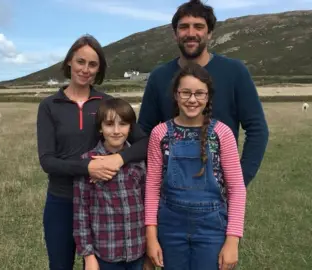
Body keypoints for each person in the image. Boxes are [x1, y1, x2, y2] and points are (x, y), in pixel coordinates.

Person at [36, 34, 149, 270]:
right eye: (80, 62)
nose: (85, 69)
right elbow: (47, 161)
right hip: (62, 201)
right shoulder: (49, 106)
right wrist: (88, 167)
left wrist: (119, 159)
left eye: (92, 64)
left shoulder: (106, 103)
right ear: (69, 62)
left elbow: (144, 143)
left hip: (102, 205)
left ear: (99, 69)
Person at [137, 0, 269, 187]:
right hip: (171, 194)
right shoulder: (159, 77)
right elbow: (143, 131)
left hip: (217, 198)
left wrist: (238, 182)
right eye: (184, 27)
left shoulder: (235, 72)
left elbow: (257, 130)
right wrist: (155, 181)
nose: (191, 33)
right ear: (175, 34)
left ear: (209, 33)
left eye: (198, 26)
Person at [144, 63, 247, 270]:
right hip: (170, 226)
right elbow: (152, 188)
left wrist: (232, 240)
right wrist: (151, 237)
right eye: (186, 93)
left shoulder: (223, 134)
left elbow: (237, 188)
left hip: (212, 227)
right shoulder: (159, 134)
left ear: (208, 97)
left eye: (200, 93)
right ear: (176, 95)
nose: (192, 100)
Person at [73, 98, 154, 270]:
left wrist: (148, 251)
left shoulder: (139, 161)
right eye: (109, 124)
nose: (116, 131)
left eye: (123, 124)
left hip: (137, 251)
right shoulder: (88, 162)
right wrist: (88, 257)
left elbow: (149, 205)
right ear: (100, 128)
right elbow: (81, 214)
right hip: (105, 255)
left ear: (131, 127)